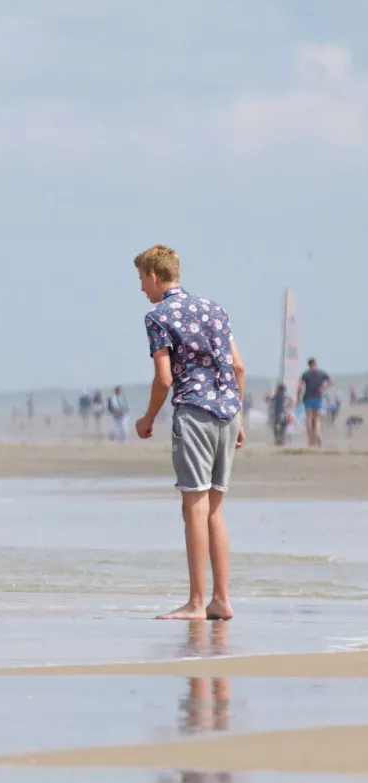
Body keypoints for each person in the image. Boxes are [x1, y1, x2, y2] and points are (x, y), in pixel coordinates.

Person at [131, 244, 245, 621]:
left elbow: (164, 379)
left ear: (153, 276)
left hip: (194, 413)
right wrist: (238, 416)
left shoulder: (158, 316)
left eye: (141, 280)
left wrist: (147, 420)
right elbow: (239, 367)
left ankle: (197, 602)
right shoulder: (215, 309)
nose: (142, 289)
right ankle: (221, 599)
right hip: (227, 412)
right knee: (215, 509)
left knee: (193, 506)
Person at [295, 357, 333, 449]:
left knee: (308, 418)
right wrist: (324, 387)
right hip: (318, 397)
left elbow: (300, 387)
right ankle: (318, 433)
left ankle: (311, 441)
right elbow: (331, 381)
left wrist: (297, 398)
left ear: (308, 365)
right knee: (317, 418)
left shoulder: (305, 374)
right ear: (315, 364)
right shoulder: (321, 373)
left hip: (308, 397)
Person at [268, 382, 289, 446]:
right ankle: (280, 439)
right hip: (280, 413)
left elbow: (271, 402)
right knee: (281, 427)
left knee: (278, 427)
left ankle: (279, 439)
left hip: (278, 413)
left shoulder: (278, 395)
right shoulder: (281, 396)